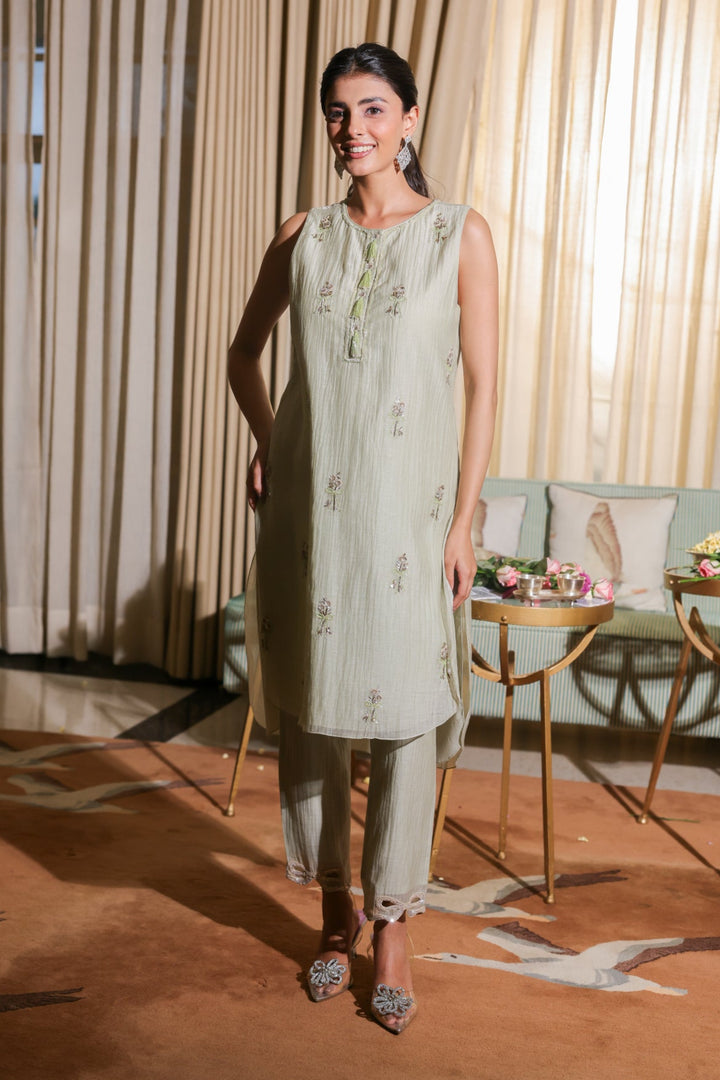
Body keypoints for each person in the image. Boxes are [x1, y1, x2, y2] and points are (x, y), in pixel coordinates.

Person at [227, 42, 498, 1034]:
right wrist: (272, 443)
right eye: (340, 112)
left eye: (375, 109)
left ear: (410, 118)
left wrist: (463, 520)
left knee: (410, 715)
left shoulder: (460, 235)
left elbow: (484, 389)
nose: (355, 129)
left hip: (412, 521)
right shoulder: (303, 235)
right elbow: (242, 355)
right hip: (315, 514)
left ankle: (394, 927)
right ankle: (334, 911)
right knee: (315, 709)